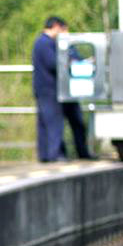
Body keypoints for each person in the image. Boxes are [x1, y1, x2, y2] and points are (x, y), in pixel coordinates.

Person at [32, 16, 93, 162]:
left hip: (61, 90)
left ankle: (79, 152)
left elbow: (73, 58)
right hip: (48, 90)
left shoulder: (58, 43)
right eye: (64, 29)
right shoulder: (43, 43)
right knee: (52, 123)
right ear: (56, 26)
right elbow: (53, 63)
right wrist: (69, 61)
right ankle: (53, 155)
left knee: (74, 121)